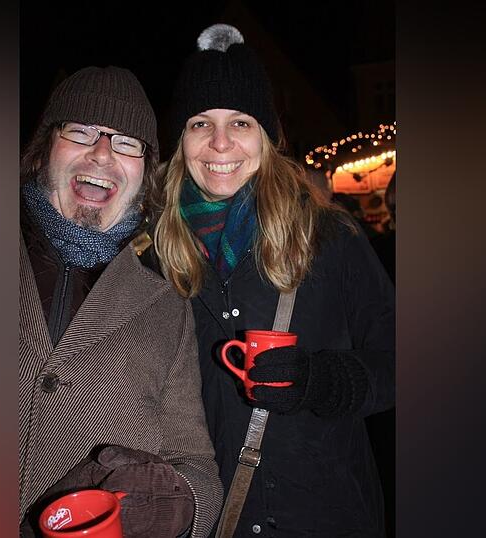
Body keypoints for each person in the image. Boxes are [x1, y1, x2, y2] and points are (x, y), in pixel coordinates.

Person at [147, 24, 396, 537]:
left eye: (240, 121)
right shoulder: (155, 257)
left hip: (327, 518)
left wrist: (319, 381)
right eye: (200, 123)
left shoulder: (330, 236)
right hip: (219, 521)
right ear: (181, 138)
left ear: (265, 135)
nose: (220, 143)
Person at [18, 65, 222, 538]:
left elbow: (197, 465)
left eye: (127, 142)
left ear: (144, 173)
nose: (103, 152)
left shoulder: (166, 308)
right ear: (45, 149)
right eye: (82, 131)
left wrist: (176, 505)